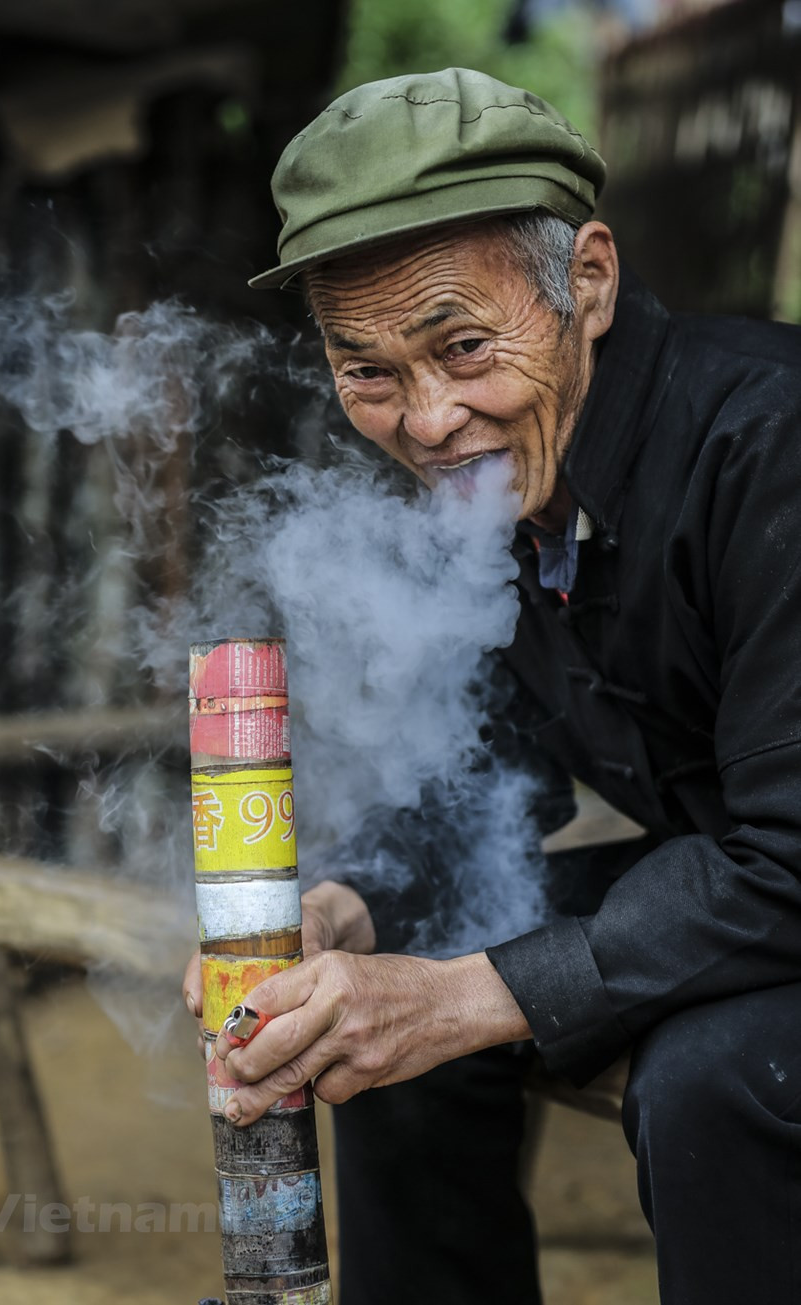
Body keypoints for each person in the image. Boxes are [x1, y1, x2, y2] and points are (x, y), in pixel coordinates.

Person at [183, 68, 801, 1304]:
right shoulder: (515, 483)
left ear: (589, 279)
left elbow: (790, 857)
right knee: (386, 976)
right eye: (367, 373)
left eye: (463, 348)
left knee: (717, 1073)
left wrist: (466, 998)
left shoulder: (769, 445)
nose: (427, 420)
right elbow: (492, 772)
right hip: (753, 869)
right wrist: (354, 906)